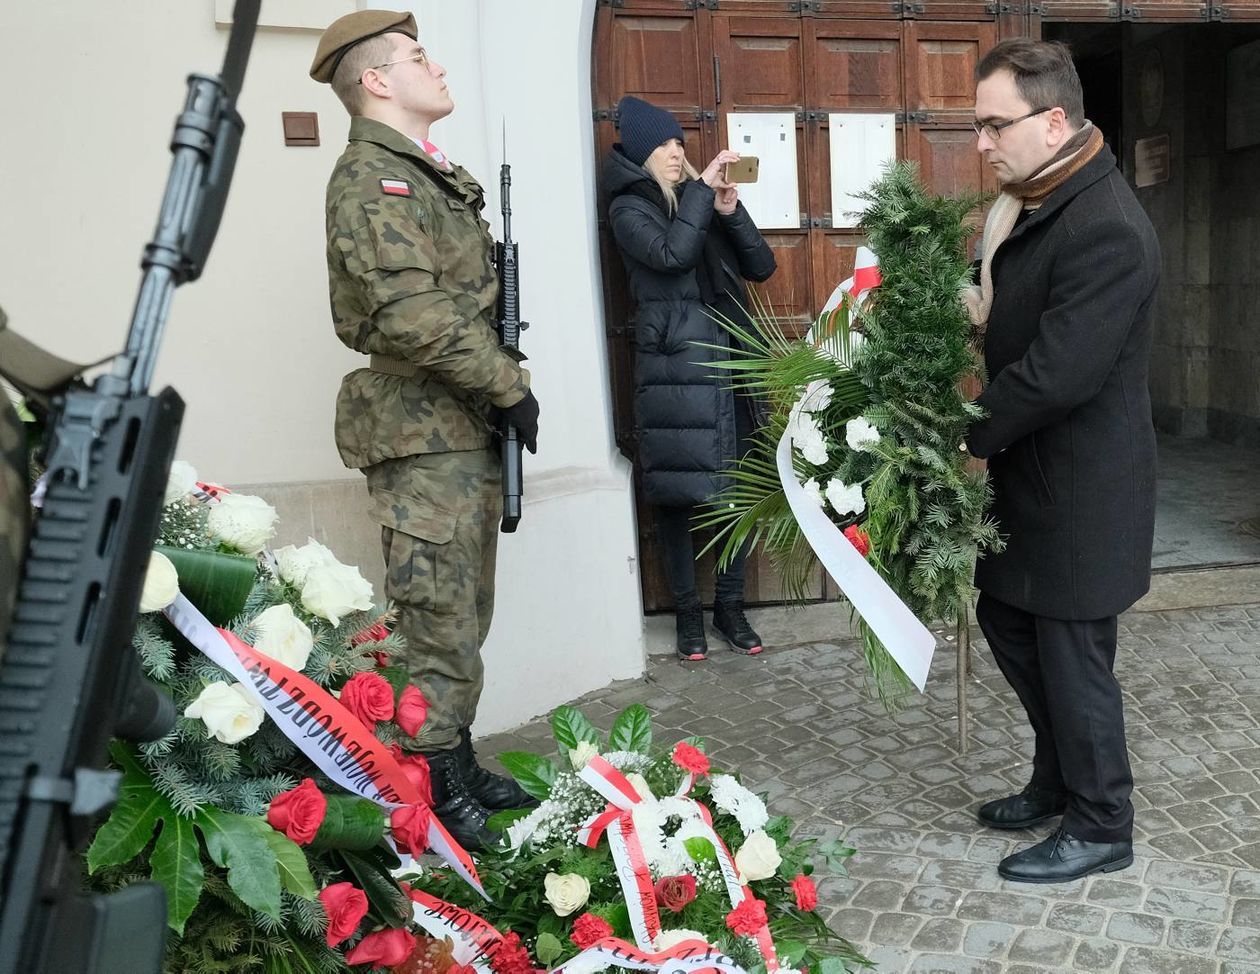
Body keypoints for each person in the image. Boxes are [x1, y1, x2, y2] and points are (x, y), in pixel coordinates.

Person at [310, 10, 539, 849]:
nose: (434, 66)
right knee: (435, 618)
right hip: (423, 433)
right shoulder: (375, 178)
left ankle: (456, 759)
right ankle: (431, 792)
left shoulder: (422, 172)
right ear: (375, 80)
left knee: (463, 613)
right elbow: (410, 315)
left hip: (454, 426)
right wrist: (509, 385)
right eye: (416, 57)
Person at [962, 39, 1160, 883]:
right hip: (1035, 480)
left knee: (1074, 658)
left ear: (1052, 122)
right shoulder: (1045, 199)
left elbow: (1057, 374)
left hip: (1083, 491)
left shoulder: (1106, 225)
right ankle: (1057, 778)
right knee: (1006, 619)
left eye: (993, 124)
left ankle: (1102, 822)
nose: (981, 143)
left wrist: (961, 431)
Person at [604, 96, 776, 662]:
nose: (676, 153)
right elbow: (672, 256)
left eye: (680, 143)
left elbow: (760, 266)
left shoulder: (699, 202)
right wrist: (703, 193)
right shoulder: (629, 207)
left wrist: (729, 209)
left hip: (730, 363)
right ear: (639, 151)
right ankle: (687, 615)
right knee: (678, 496)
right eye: (664, 144)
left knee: (739, 490)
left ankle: (730, 607)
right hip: (676, 370)